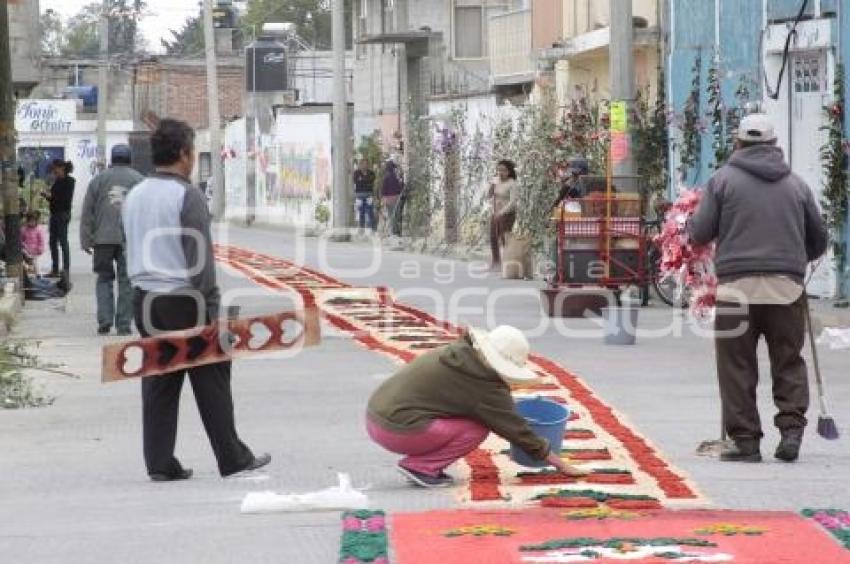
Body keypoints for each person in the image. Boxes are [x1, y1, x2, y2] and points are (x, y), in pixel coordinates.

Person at [122, 119, 270, 481]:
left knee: (159, 376)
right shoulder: (186, 196)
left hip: (144, 298)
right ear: (185, 155)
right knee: (211, 373)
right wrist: (211, 311)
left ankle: (159, 462)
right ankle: (232, 457)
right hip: (183, 298)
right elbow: (199, 261)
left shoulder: (135, 194)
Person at [689, 113, 828, 464]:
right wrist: (795, 263)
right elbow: (818, 239)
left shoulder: (722, 181)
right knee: (788, 361)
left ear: (738, 143)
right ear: (773, 145)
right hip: (786, 289)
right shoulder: (797, 185)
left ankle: (746, 441)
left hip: (737, 289)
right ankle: (792, 432)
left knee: (736, 365)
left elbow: (700, 232)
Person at [366, 325, 588, 488]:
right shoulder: (483, 384)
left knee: (478, 417)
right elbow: (515, 428)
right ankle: (421, 467)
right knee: (477, 428)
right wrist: (559, 463)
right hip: (398, 430)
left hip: (375, 417)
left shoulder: (459, 354)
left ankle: (422, 463)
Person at [80, 144, 145, 336]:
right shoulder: (139, 180)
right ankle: (124, 324)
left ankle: (105, 320)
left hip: (102, 240)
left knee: (104, 278)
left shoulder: (98, 181)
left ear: (112, 159)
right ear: (130, 159)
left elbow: (87, 212)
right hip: (130, 242)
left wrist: (86, 239)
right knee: (127, 281)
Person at [43, 159, 75, 278]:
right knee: (52, 242)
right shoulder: (57, 181)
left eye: (55, 168)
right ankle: (55, 269)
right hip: (54, 213)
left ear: (61, 167)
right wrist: (47, 196)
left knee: (63, 242)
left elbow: (65, 200)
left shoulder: (69, 181)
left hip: (62, 214)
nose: (54, 171)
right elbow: (54, 199)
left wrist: (51, 196)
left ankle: (66, 269)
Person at [488, 160, 518, 269]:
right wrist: (492, 185)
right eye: (499, 170)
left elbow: (513, 202)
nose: (500, 172)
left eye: (503, 170)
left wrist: (502, 212)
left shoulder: (512, 183)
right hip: (495, 212)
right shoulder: (496, 182)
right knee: (493, 237)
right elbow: (489, 196)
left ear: (509, 171)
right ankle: (496, 261)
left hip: (507, 213)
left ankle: (508, 263)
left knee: (505, 238)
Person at [381, 158, 404, 236]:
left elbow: (383, 189)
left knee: (391, 215)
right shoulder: (396, 177)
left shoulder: (386, 177)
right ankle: (396, 231)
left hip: (389, 199)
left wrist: (383, 198)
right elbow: (400, 187)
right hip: (397, 198)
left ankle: (394, 231)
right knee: (396, 215)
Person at [353, 158, 377, 231]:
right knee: (361, 213)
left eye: (366, 164)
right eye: (363, 164)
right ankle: (362, 229)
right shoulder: (356, 173)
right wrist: (365, 180)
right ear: (360, 165)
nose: (364, 166)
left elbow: (371, 181)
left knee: (370, 212)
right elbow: (356, 181)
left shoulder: (371, 173)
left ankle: (373, 229)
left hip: (369, 194)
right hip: (359, 195)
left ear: (368, 165)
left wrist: (362, 180)